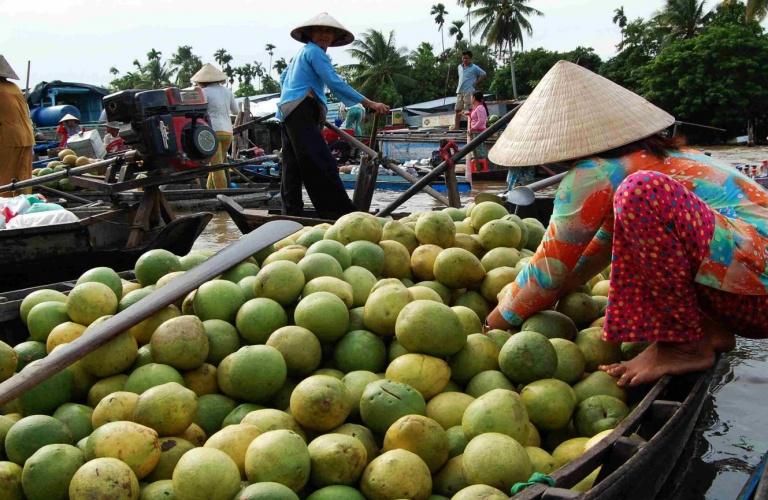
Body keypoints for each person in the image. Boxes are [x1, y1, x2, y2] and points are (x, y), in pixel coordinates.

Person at [484, 60, 768, 387]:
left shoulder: (596, 173)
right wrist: (547, 299)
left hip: (756, 292)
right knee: (635, 208)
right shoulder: (656, 158)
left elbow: (547, 271)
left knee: (641, 193)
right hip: (749, 292)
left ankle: (684, 345)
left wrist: (492, 326)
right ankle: (709, 331)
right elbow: (592, 253)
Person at [278, 12, 389, 218]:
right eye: (320, 31)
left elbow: (283, 79)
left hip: (288, 110)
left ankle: (290, 212)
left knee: (292, 165)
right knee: (320, 161)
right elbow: (334, 82)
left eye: (328, 32)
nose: (324, 36)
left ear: (333, 38)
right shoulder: (315, 52)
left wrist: (292, 93)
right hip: (301, 108)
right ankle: (337, 212)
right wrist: (369, 103)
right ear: (310, 33)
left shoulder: (300, 54)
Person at [192, 63, 239, 189]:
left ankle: (222, 194)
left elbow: (198, 112)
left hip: (213, 133)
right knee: (218, 164)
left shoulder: (203, 92)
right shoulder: (227, 92)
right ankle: (210, 190)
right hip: (228, 132)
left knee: (216, 166)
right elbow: (236, 111)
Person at [0, 55, 35, 196]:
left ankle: (5, 211)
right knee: (23, 178)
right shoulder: (13, 88)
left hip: (7, 138)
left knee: (5, 179)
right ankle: (23, 207)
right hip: (26, 137)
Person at [454, 50, 486, 131]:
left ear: (470, 59)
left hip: (469, 91)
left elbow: (483, 74)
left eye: (467, 58)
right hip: (459, 91)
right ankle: (456, 127)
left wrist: (476, 82)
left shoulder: (474, 67)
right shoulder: (459, 67)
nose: (465, 60)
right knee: (457, 109)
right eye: (463, 58)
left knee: (470, 110)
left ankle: (471, 127)